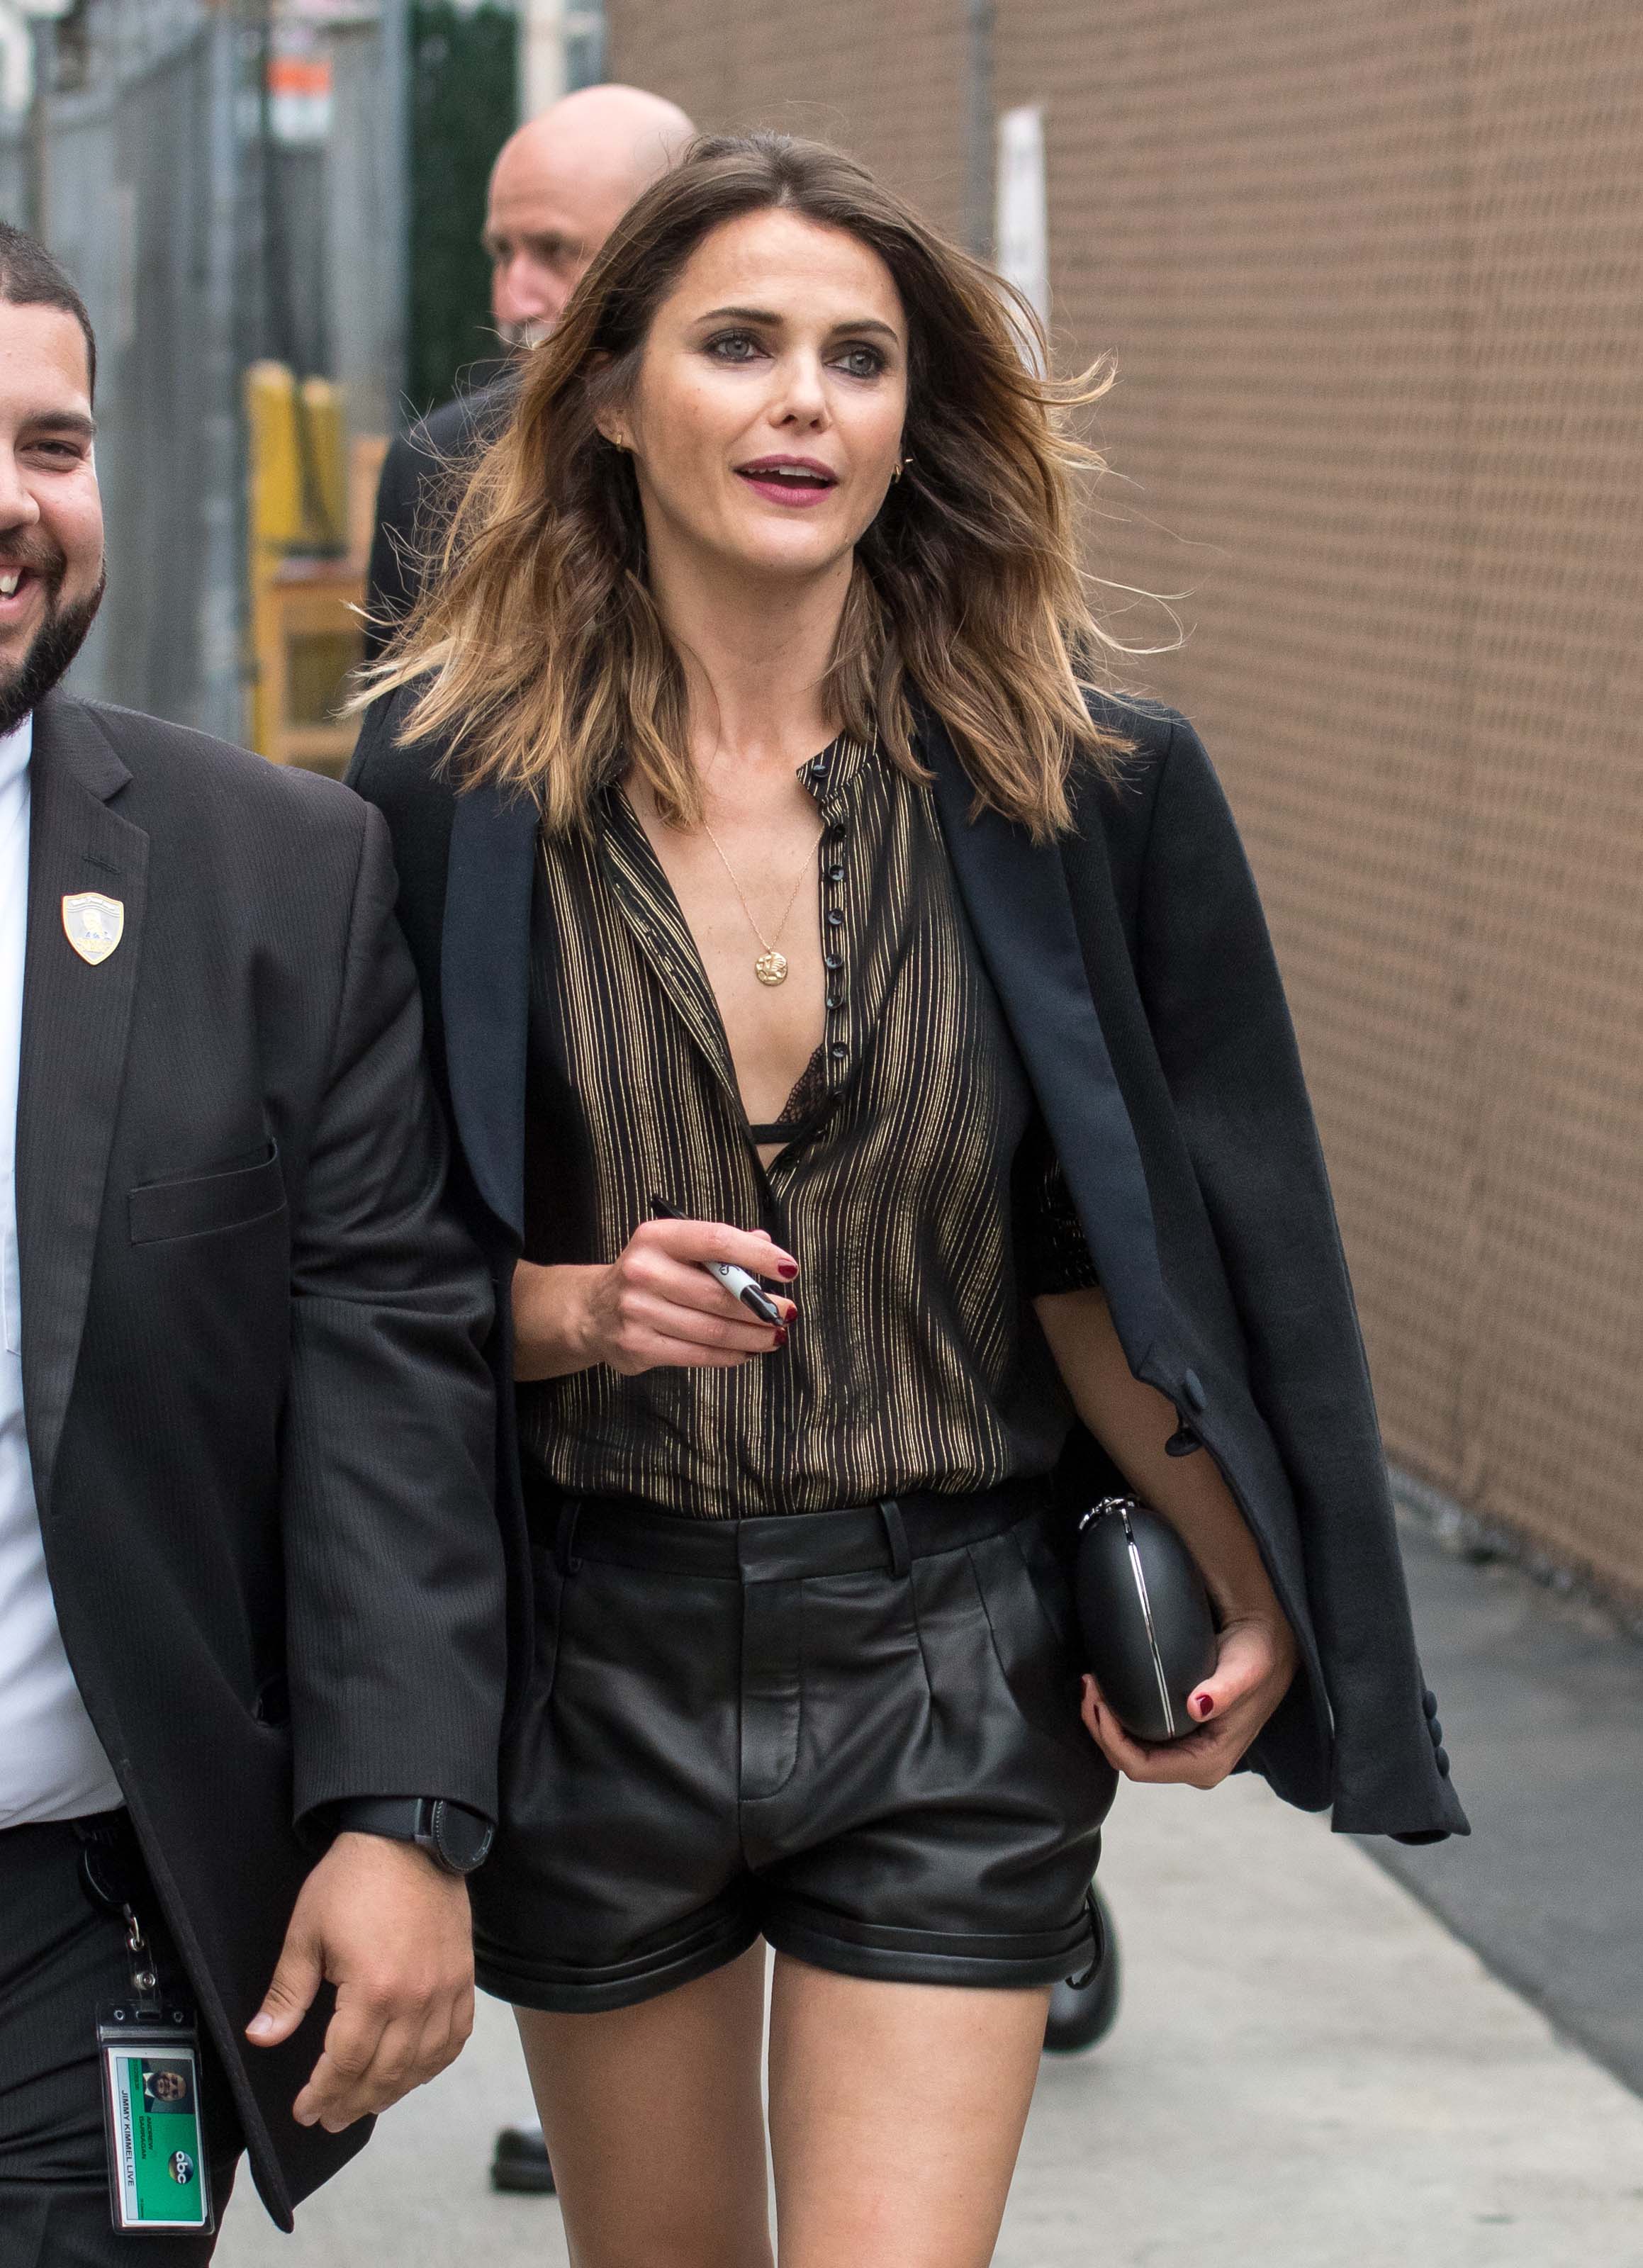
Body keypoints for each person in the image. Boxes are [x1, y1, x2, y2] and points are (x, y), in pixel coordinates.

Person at [350, 133, 1465, 2268]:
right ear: (603, 392)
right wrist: (573, 1308)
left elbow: (1103, 1250)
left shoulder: (1081, 788)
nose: (804, 401)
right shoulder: (445, 792)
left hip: (947, 1652)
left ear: (911, 420)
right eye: (740, 343)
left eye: (859, 359)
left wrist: (1254, 1589)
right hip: (592, 1649)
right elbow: (370, 1274)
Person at [0, 225, 508, 2263]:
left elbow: (385, 1357)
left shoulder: (271, 881)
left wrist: (398, 1816)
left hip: (62, 1939)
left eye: (55, 441)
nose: (16, 505)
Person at [363, 82, 695, 659]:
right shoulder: (435, 470)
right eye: (501, 254)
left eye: (555, 251)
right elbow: (398, 739)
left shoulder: (761, 458)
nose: (514, 303)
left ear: (672, 255)